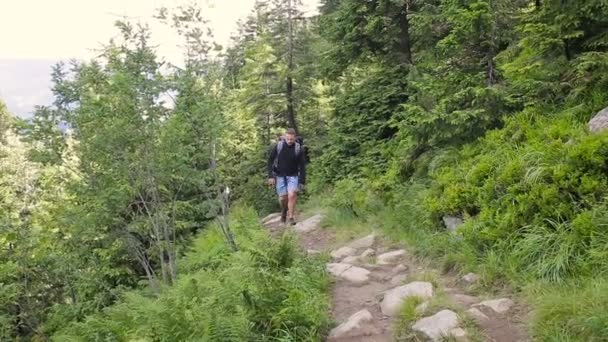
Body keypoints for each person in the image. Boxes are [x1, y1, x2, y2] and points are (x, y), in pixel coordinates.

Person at [267, 128, 306, 225]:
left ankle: (291, 217)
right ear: (285, 137)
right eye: (287, 139)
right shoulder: (279, 146)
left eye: (291, 139)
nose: (289, 141)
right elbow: (270, 160)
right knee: (282, 198)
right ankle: (284, 211)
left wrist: (301, 181)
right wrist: (270, 176)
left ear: (295, 138)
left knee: (292, 195)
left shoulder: (298, 148)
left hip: (293, 176)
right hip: (280, 176)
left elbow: (302, 166)